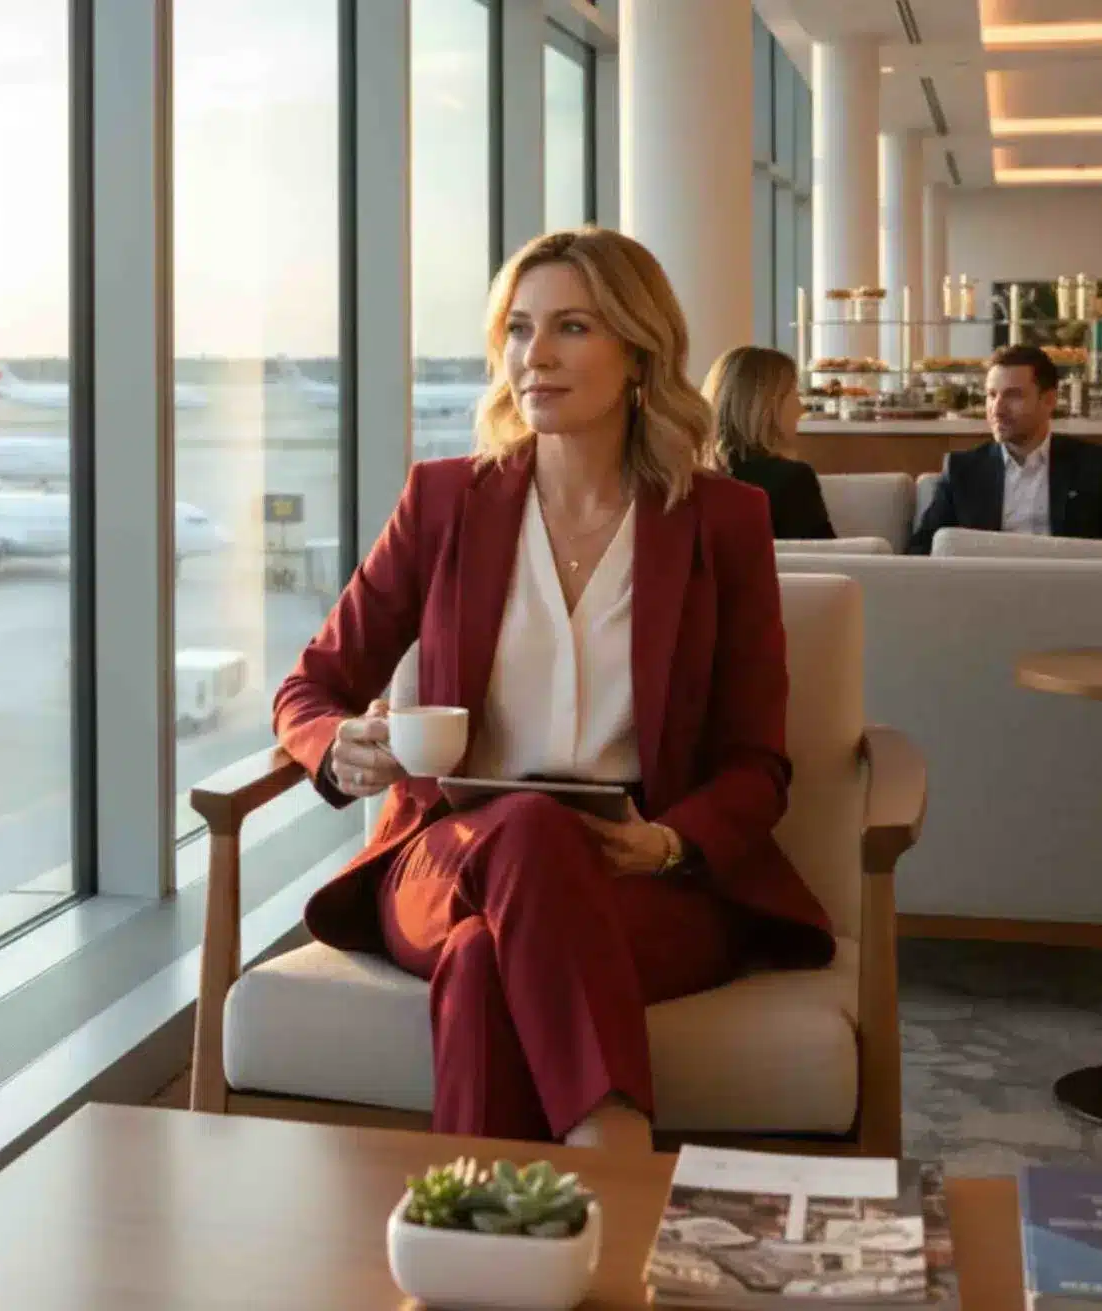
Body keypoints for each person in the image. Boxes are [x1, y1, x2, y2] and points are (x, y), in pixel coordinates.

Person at [271, 228, 836, 1152]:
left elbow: (756, 761)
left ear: (639, 352)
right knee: (528, 829)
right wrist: (337, 742)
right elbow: (313, 684)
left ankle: (476, 1237)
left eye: (572, 327)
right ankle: (612, 1143)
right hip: (446, 859)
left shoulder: (723, 522)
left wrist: (665, 842)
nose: (536, 355)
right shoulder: (444, 501)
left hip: (645, 878)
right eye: (519, 328)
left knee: (484, 965)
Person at [908, 344, 1102, 554]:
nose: (997, 409)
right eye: (992, 395)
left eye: (1013, 396)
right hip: (987, 599)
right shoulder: (963, 471)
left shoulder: (1094, 466)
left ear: (1048, 400)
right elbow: (919, 555)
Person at [702, 345, 835, 539]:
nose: (801, 408)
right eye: (794, 394)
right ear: (767, 408)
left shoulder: (689, 479)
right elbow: (825, 559)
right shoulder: (793, 480)